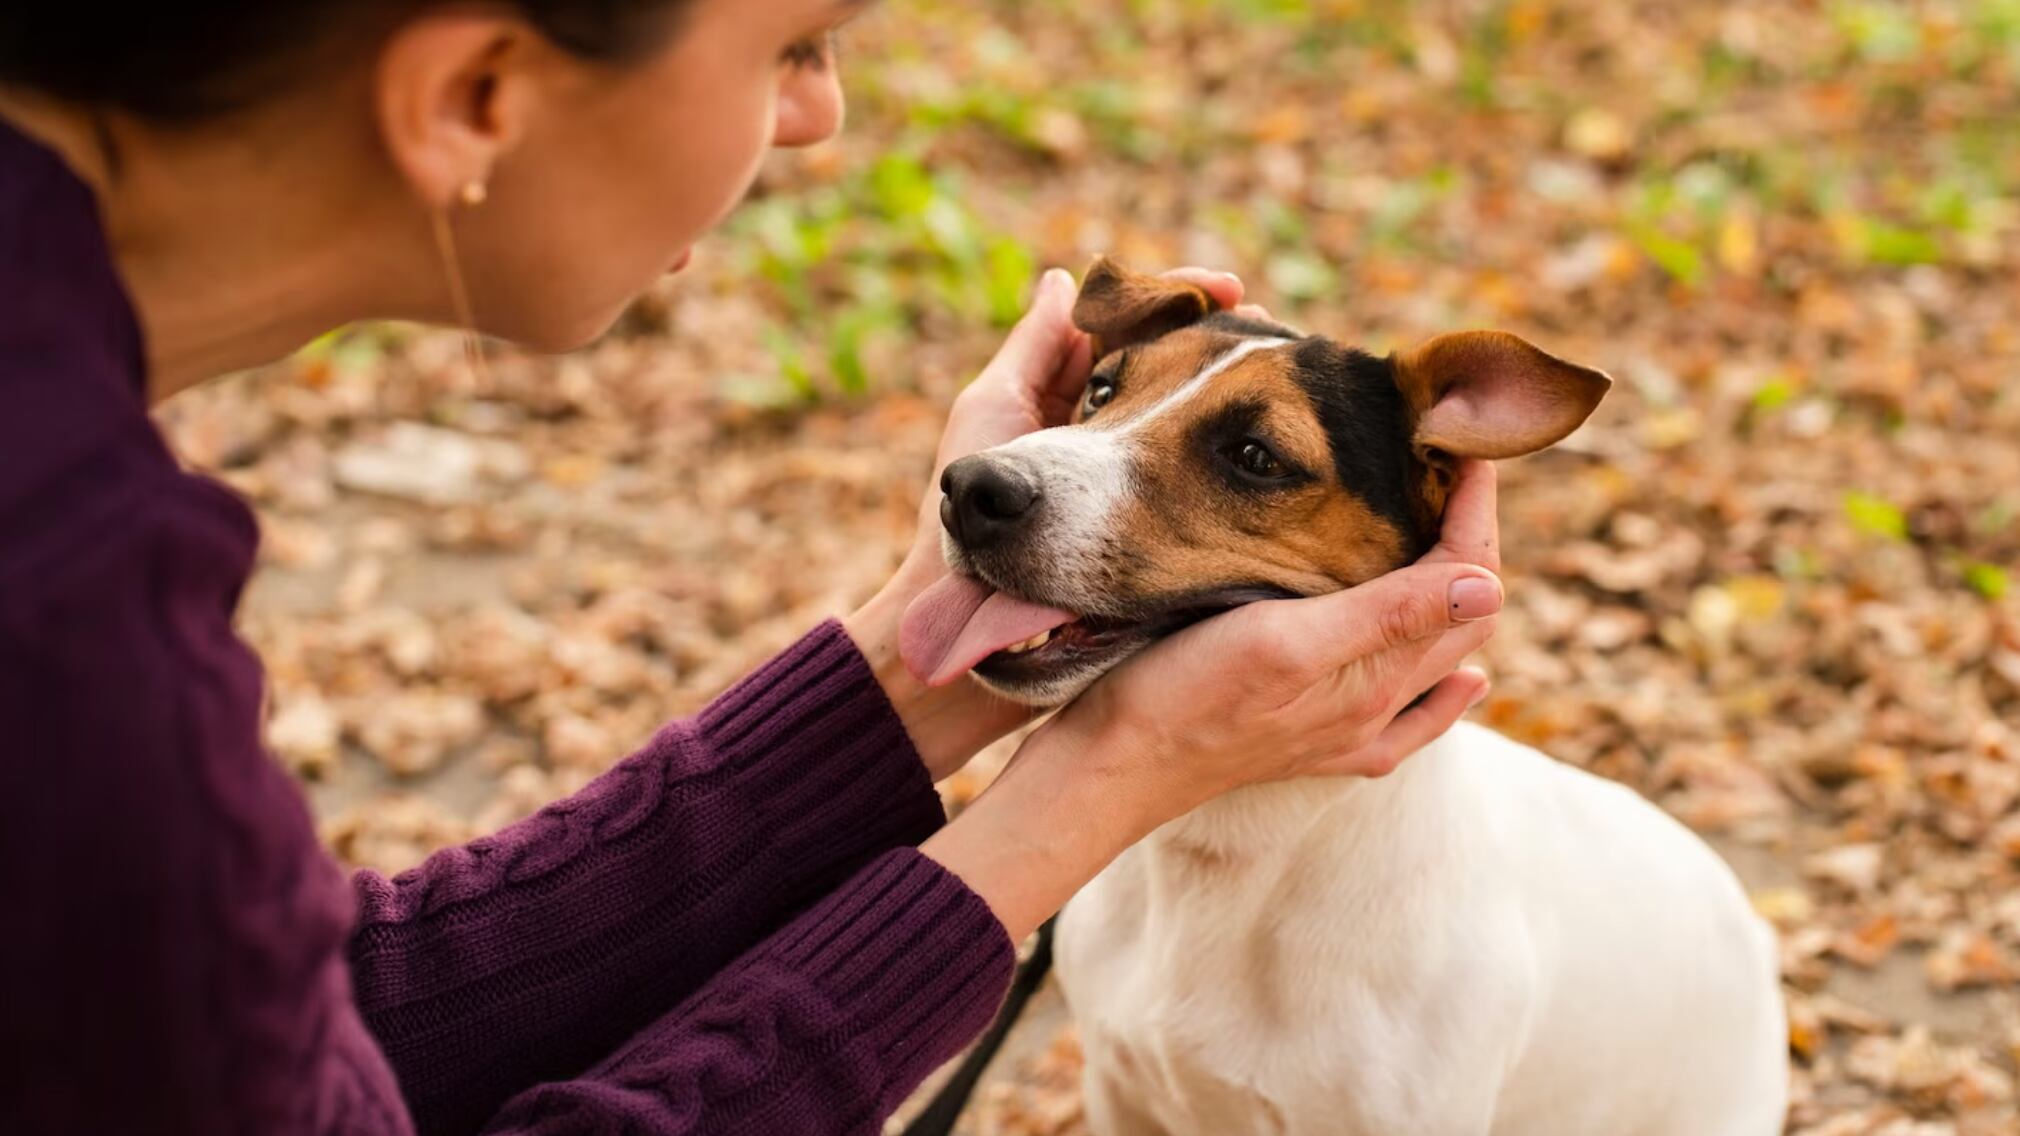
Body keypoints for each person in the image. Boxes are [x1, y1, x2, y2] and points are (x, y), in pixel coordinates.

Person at [0, 2, 1505, 1132]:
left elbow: (309, 1032)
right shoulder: (76, 642)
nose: (818, 122)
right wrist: (1093, 794)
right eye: (792, 47)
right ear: (474, 91)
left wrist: (926, 660)